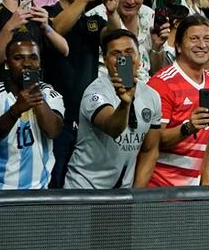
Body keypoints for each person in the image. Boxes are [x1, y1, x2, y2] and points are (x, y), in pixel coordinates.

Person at [45, 0, 119, 187]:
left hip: (87, 119)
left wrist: (113, 12)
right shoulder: (46, 14)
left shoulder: (93, 22)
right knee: (55, 183)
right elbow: (57, 28)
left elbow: (116, 42)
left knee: (83, 185)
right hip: (56, 118)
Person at [63, 28, 163, 189]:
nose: (123, 58)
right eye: (116, 54)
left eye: (129, 52)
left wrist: (136, 195)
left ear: (139, 57)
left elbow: (150, 150)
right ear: (105, 59)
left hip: (123, 194)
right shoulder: (95, 92)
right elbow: (112, 128)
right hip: (85, 188)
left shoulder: (152, 97)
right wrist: (125, 104)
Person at [136, 15, 209, 187]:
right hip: (159, 188)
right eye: (194, 39)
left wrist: (205, 185)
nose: (202, 45)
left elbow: (204, 140)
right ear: (179, 46)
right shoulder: (162, 83)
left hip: (192, 192)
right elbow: (152, 141)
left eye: (207, 39)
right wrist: (188, 127)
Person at [0, 35, 64, 189]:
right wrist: (15, 110)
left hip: (39, 190)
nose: (27, 64)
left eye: (33, 57)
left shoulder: (50, 94)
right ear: (7, 63)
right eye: (18, 58)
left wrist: (35, 95)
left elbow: (54, 131)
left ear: (40, 63)